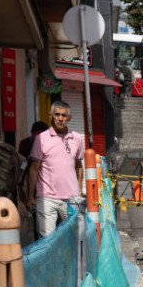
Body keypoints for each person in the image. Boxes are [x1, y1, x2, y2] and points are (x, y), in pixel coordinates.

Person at [27, 101, 85, 237]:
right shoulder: (41, 139)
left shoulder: (77, 138)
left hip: (71, 198)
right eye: (57, 114)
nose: (60, 118)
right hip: (46, 198)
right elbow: (34, 168)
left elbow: (78, 166)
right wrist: (30, 195)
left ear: (69, 118)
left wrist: (79, 192)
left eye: (64, 115)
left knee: (74, 237)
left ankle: (68, 259)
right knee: (47, 240)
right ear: (51, 116)